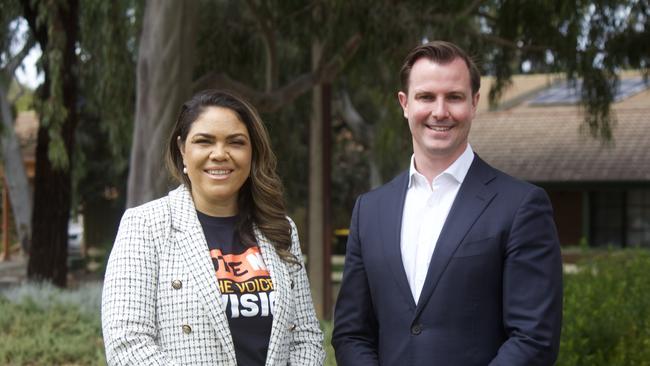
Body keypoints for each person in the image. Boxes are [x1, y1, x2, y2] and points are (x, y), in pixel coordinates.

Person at [332, 40, 563, 365]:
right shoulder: (369, 211)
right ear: (405, 104)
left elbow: (534, 337)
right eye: (426, 97)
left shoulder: (521, 206)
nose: (440, 112)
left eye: (454, 97)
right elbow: (351, 334)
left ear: (474, 103)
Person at [102, 90, 324, 365]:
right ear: (183, 150)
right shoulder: (146, 226)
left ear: (252, 152)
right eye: (204, 141)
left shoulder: (279, 228)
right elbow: (128, 345)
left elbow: (306, 338)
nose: (219, 154)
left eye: (236, 142)